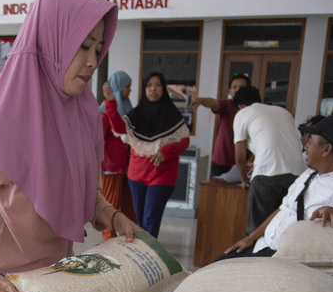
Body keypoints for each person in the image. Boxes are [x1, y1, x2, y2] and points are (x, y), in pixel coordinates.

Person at [0, 0, 139, 292]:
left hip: (59, 283)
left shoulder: (78, 112)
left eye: (98, 48)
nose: (93, 61)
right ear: (52, 45)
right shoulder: (7, 123)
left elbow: (81, 194)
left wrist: (115, 217)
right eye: (83, 46)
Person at [221, 116, 333, 259]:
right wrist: (250, 238)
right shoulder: (309, 174)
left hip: (284, 256)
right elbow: (283, 208)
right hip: (263, 245)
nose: (306, 146)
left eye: (310, 140)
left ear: (326, 149)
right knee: (217, 264)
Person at [108, 71, 190, 238]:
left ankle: (149, 253)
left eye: (158, 85)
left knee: (151, 217)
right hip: (137, 174)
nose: (153, 89)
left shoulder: (172, 115)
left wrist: (165, 152)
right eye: (149, 85)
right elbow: (118, 128)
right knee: (138, 218)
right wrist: (110, 103)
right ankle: (140, 253)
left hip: (162, 175)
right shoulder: (136, 114)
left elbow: (184, 141)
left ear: (163, 89)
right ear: (145, 89)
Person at [232, 86, 306, 233]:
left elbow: (239, 156)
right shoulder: (284, 112)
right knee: (284, 227)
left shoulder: (243, 114)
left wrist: (244, 179)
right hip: (297, 175)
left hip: (266, 176)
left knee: (257, 230)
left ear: (240, 106)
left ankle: (254, 255)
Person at [99, 71, 138, 240]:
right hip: (110, 169)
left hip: (125, 168)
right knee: (110, 209)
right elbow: (98, 143)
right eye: (127, 87)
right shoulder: (103, 113)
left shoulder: (126, 109)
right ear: (119, 87)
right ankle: (108, 248)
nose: (129, 91)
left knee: (129, 208)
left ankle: (131, 241)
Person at [193, 73, 251, 179]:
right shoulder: (227, 104)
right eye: (234, 87)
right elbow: (214, 103)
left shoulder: (253, 109)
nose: (238, 90)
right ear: (230, 91)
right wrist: (201, 100)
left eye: (241, 87)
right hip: (221, 161)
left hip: (244, 162)